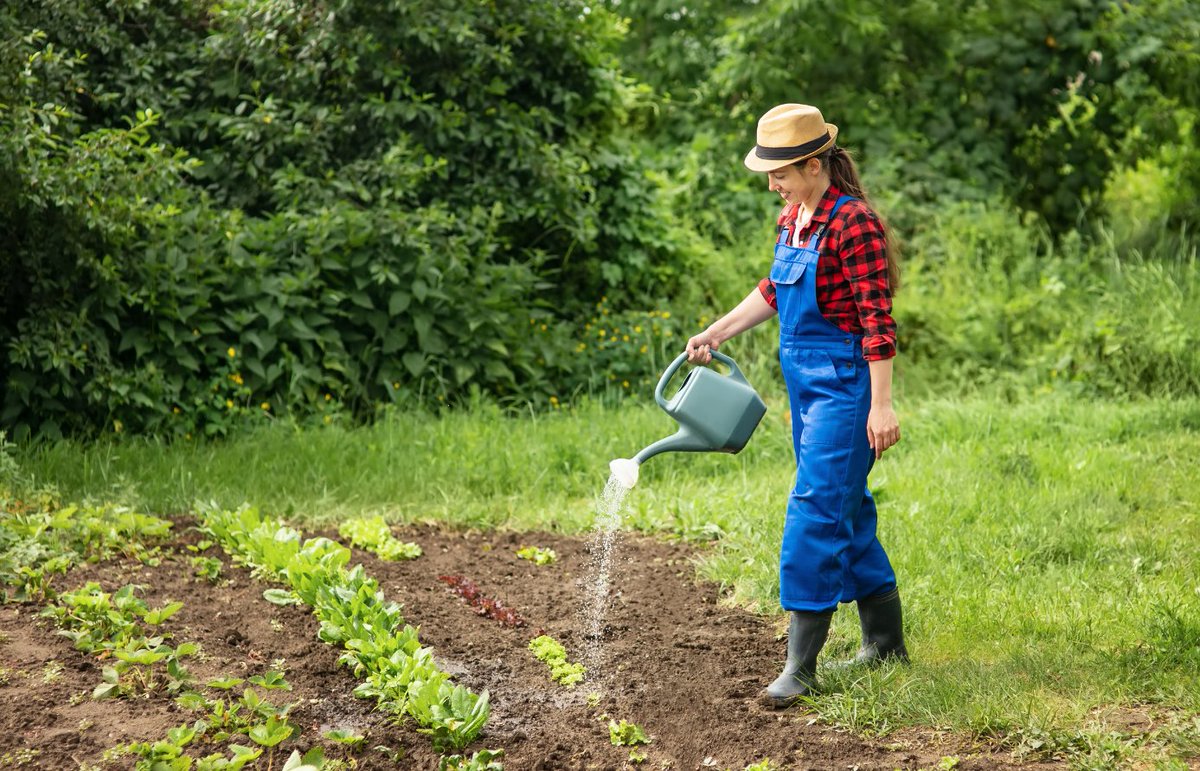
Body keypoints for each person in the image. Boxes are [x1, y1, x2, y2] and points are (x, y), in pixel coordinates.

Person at [685, 103, 908, 708]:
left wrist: (880, 407)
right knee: (846, 506)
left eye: (780, 171)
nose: (771, 183)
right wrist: (717, 331)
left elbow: (876, 321)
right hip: (806, 391)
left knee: (813, 509)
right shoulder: (794, 219)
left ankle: (800, 667)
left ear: (814, 164)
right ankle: (885, 644)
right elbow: (772, 290)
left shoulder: (851, 222)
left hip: (846, 386)